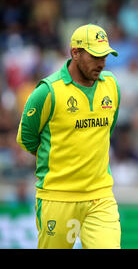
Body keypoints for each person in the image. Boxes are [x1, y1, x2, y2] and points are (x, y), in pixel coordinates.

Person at [16, 24, 121, 249]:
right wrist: (61, 159)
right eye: (94, 56)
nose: (101, 63)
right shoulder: (48, 91)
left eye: (105, 56)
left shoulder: (111, 85)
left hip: (100, 196)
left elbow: (106, 132)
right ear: (75, 53)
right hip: (57, 197)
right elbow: (27, 139)